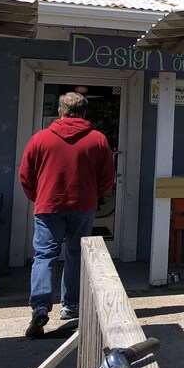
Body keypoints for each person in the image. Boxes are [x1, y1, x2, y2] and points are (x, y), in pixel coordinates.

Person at [19, 91, 116, 338]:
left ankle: (40, 306)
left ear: (60, 111)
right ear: (84, 113)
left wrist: (38, 195)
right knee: (75, 254)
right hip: (83, 205)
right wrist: (94, 195)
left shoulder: (40, 139)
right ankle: (70, 305)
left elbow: (26, 176)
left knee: (44, 256)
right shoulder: (97, 140)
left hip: (49, 205)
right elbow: (107, 177)